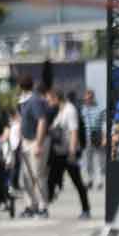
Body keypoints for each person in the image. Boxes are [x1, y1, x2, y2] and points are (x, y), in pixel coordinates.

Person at [46, 89, 91, 218]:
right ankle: (44, 207)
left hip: (68, 153)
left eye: (49, 100)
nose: (48, 102)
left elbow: (74, 131)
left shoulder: (69, 110)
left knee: (77, 181)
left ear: (55, 98)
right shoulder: (59, 111)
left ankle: (86, 209)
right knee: (50, 180)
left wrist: (72, 152)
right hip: (59, 152)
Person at [13, 73, 49, 218]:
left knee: (38, 175)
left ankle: (42, 207)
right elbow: (22, 122)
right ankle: (30, 205)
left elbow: (42, 121)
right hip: (26, 141)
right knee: (26, 177)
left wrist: (38, 144)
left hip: (36, 141)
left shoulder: (34, 100)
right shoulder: (23, 101)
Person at [78, 89, 104, 191]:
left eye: (89, 98)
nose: (87, 100)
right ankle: (90, 180)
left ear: (93, 98)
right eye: (86, 98)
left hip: (97, 136)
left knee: (99, 159)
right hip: (86, 137)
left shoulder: (99, 109)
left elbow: (103, 124)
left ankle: (99, 181)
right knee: (87, 160)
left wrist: (104, 137)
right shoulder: (82, 109)